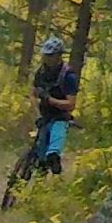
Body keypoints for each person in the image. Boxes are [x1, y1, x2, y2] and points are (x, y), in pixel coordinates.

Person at [29, 35, 79, 178]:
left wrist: (50, 100)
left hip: (60, 117)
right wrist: (36, 114)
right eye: (45, 55)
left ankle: (56, 172)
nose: (47, 59)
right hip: (44, 116)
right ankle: (37, 178)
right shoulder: (41, 72)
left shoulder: (68, 76)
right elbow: (33, 94)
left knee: (53, 151)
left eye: (50, 56)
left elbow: (70, 104)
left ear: (58, 56)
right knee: (40, 154)